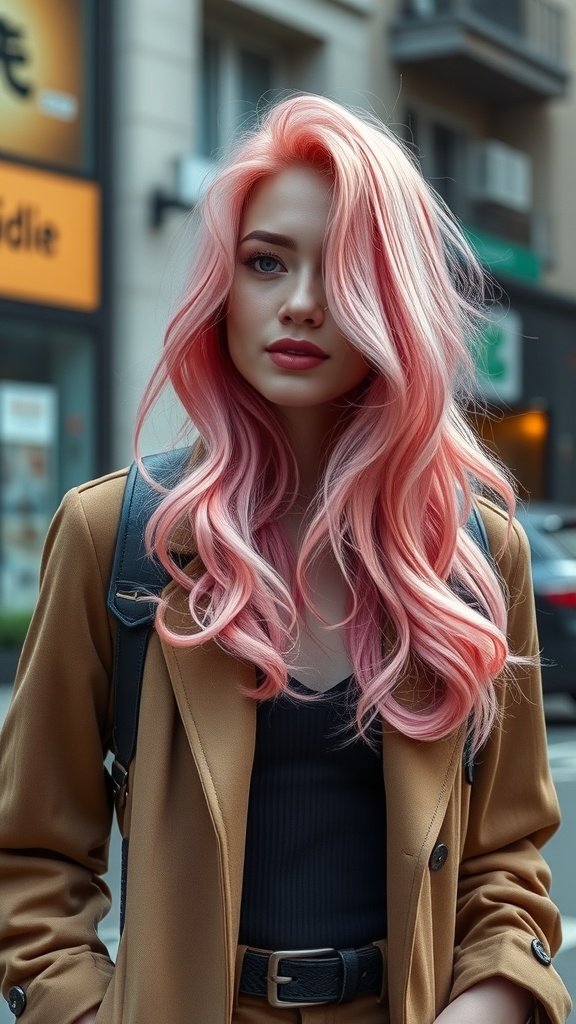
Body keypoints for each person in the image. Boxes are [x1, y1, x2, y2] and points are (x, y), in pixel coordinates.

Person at [0, 94, 571, 1024]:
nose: (300, 303)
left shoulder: (470, 553)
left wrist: (496, 1001)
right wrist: (82, 1011)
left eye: (343, 267)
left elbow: (508, 858)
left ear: (393, 297)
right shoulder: (116, 534)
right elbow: (28, 857)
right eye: (266, 261)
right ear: (223, 284)